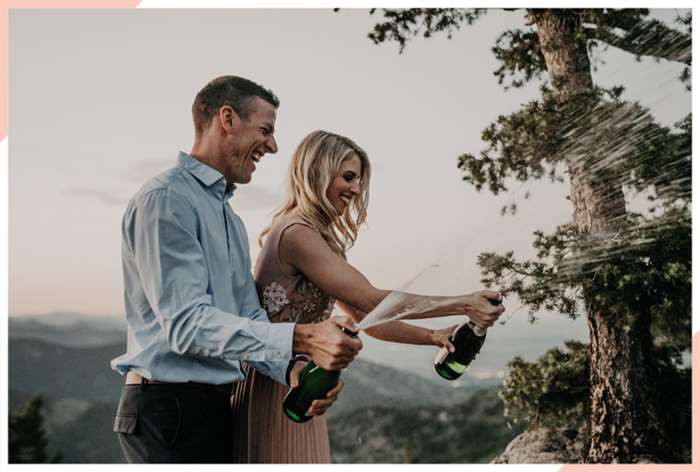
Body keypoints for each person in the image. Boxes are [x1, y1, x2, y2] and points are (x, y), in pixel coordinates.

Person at [110, 77, 362, 463]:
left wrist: (293, 370)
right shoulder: (167, 200)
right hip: (167, 412)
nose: (273, 146)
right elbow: (187, 326)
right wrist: (303, 337)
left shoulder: (228, 218)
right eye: (265, 130)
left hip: (213, 409)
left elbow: (247, 314)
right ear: (227, 119)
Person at [231, 130, 505, 463]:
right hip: (277, 384)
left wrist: (433, 337)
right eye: (348, 177)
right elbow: (373, 299)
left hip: (304, 385)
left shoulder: (317, 237)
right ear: (317, 172)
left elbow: (369, 320)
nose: (356, 189)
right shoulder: (296, 233)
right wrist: (463, 302)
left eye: (359, 180)